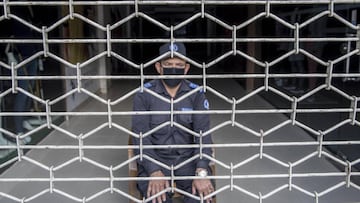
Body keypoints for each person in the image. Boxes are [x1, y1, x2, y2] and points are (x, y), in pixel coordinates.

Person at [132, 42, 214, 203]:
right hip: (155, 159)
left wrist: (201, 171)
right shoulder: (144, 95)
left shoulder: (196, 94)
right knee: (156, 198)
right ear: (158, 67)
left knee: (202, 197)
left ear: (186, 68)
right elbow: (140, 136)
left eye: (179, 65)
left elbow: (203, 134)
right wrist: (153, 170)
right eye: (168, 64)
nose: (173, 68)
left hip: (189, 161)